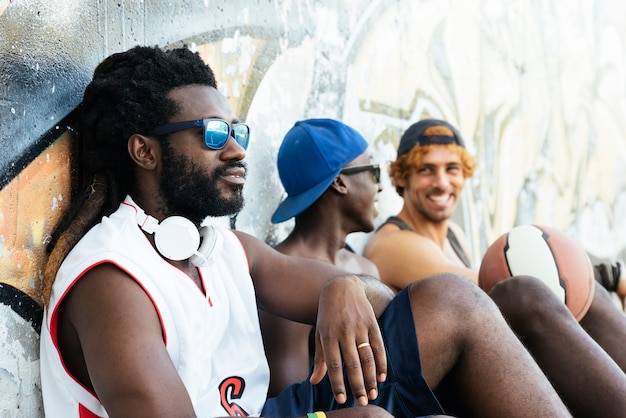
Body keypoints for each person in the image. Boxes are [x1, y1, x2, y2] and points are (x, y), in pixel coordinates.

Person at [37, 45, 573, 418]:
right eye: (214, 134)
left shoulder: (222, 248)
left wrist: (340, 286)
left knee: (451, 301)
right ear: (145, 151)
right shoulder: (112, 282)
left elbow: (381, 303)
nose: (238, 149)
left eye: (238, 129)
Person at [364, 118, 626, 417]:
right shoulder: (394, 243)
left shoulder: (454, 237)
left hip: (479, 363)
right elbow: (489, 291)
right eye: (426, 170)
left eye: (452, 169)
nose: (441, 182)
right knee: (535, 293)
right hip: (436, 390)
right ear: (401, 178)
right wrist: (606, 277)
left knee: (578, 292)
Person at [262, 118, 383, 396]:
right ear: (340, 182)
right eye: (374, 171)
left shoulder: (364, 268)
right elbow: (289, 399)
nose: (381, 186)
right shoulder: (282, 280)